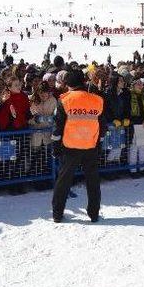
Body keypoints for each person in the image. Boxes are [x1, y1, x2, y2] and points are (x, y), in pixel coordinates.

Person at [51, 69, 106, 223]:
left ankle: (57, 213)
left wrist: (56, 145)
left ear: (68, 84)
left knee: (63, 181)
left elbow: (58, 127)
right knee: (93, 181)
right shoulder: (97, 100)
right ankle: (94, 214)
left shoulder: (64, 100)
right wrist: (99, 142)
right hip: (91, 146)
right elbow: (102, 125)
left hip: (71, 146)